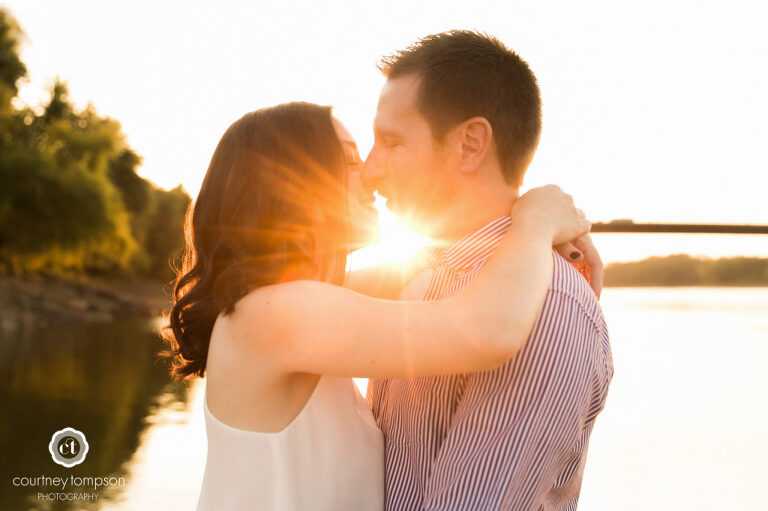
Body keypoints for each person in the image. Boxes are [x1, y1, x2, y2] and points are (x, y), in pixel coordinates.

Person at [161, 101, 593, 510]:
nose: (369, 174)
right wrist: (535, 224)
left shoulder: (289, 303)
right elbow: (487, 329)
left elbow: (442, 263)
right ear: (293, 183)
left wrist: (563, 270)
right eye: (351, 160)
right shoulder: (276, 313)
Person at [362, 31, 614, 510]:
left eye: (391, 142)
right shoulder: (429, 277)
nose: (370, 170)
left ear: (470, 144)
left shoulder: (546, 307)